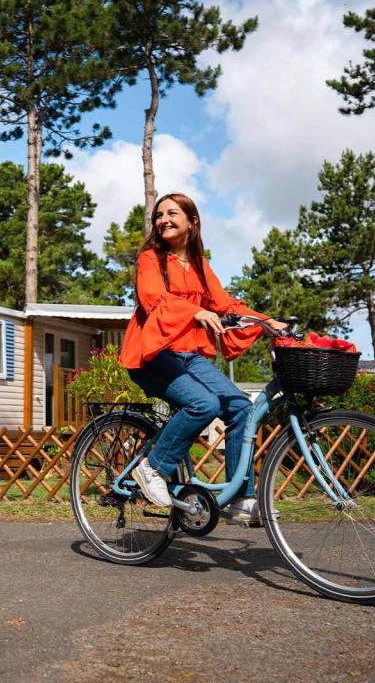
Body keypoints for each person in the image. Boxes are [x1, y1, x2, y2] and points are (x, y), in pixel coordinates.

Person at [119, 193, 287, 525]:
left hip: (189, 356)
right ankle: (152, 466)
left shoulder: (200, 266)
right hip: (152, 354)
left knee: (241, 408)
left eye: (172, 213)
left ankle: (241, 498)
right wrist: (195, 310)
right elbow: (154, 299)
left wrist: (267, 322)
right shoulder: (150, 259)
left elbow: (225, 305)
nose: (163, 219)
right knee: (205, 404)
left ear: (192, 221)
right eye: (159, 215)